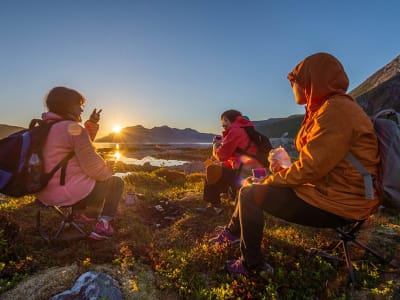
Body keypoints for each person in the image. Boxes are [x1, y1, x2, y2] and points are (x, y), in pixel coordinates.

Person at [210, 52, 380, 277]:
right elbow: (321, 163)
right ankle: (233, 233)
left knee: (250, 192)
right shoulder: (334, 108)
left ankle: (252, 265)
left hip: (340, 203)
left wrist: (270, 179)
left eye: (295, 82)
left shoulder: (335, 112)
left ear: (312, 80)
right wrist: (284, 171)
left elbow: (309, 169)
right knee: (251, 186)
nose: (293, 88)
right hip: (338, 193)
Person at [35, 86, 125, 240]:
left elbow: (77, 145)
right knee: (115, 182)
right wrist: (108, 170)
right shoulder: (73, 129)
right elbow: (94, 169)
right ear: (68, 106)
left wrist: (91, 123)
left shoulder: (42, 128)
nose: (82, 109)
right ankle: (103, 225)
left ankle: (77, 215)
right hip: (67, 194)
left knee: (77, 173)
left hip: (43, 193)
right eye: (79, 104)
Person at [199, 109, 265, 215]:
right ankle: (228, 195)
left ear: (228, 119)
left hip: (245, 175)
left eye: (224, 121)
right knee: (220, 168)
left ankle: (214, 206)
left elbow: (221, 156)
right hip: (255, 174)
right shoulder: (247, 130)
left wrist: (215, 145)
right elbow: (239, 158)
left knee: (211, 169)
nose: (222, 125)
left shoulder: (235, 131)